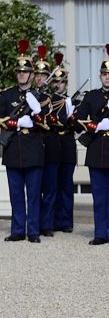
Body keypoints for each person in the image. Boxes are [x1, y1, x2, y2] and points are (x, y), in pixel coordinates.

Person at [73, 44, 109, 246]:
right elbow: (78, 119)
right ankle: (100, 233)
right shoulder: (91, 96)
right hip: (96, 149)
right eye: (104, 74)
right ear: (100, 76)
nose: (107, 78)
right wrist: (94, 126)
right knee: (99, 196)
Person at [0, 40, 46, 243]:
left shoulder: (40, 96)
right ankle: (18, 230)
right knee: (16, 193)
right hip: (13, 147)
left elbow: (46, 123)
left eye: (25, 71)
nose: (21, 74)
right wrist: (16, 123)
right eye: (19, 71)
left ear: (31, 74)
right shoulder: (6, 95)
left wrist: (34, 116)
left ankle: (33, 231)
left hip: (33, 148)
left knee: (34, 194)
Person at [48, 53, 78, 234]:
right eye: (55, 82)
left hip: (66, 144)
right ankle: (50, 221)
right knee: (51, 186)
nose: (58, 85)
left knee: (66, 185)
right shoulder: (47, 101)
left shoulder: (72, 101)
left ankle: (65, 221)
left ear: (66, 84)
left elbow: (78, 125)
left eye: (61, 82)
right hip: (52, 143)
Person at [32, 46, 58, 238]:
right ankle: (34, 222)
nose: (40, 78)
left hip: (50, 145)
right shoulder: (29, 96)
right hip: (33, 145)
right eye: (38, 75)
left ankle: (47, 223)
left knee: (49, 188)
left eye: (44, 75)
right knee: (35, 188)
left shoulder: (54, 99)